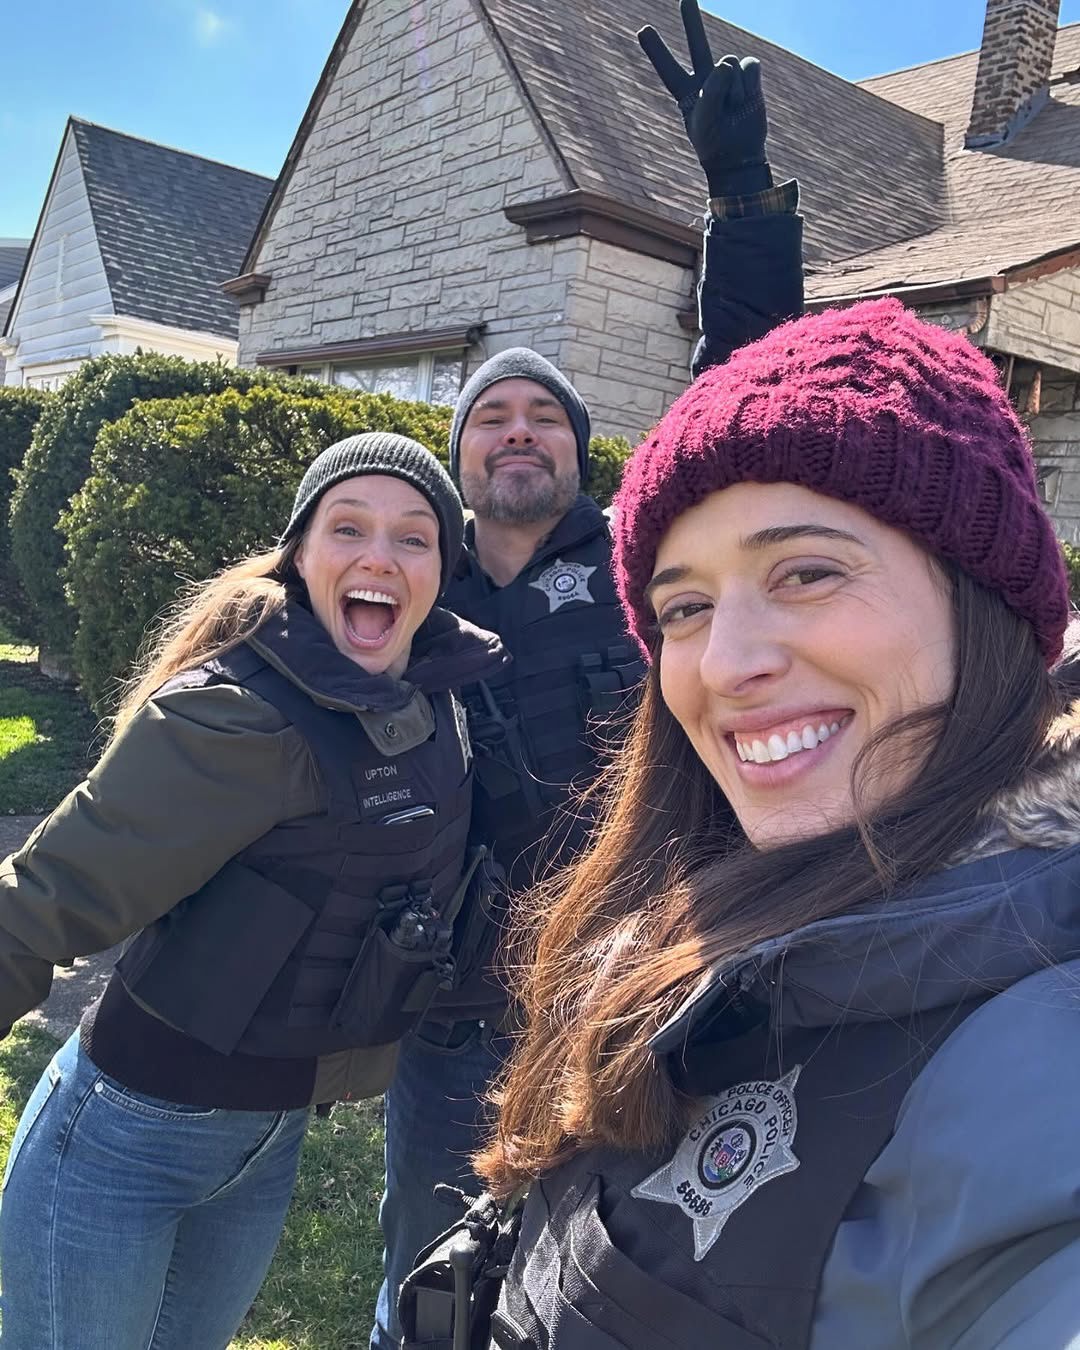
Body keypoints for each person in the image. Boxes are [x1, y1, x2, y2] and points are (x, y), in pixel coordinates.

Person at [450, 297, 1080, 1348]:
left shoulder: (1038, 1047)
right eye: (683, 607)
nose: (729, 664)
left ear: (984, 598)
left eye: (807, 573)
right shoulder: (717, 898)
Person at [370, 2, 807, 1339]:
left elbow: (735, 380)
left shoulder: (632, 551)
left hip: (643, 984)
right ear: (460, 457)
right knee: (429, 1284)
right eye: (490, 415)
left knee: (626, 1281)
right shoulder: (405, 587)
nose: (518, 431)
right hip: (457, 1017)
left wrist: (738, 199)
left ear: (576, 453)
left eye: (543, 414)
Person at [0, 432, 505, 1350]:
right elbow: (43, 900)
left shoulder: (439, 705)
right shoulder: (239, 715)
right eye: (347, 527)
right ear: (301, 554)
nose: (378, 557)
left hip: (268, 1138)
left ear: (444, 569)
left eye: (415, 536)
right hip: (125, 1138)